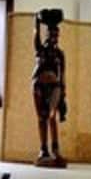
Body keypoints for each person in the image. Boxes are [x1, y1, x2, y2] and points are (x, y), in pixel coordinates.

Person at [32, 9, 68, 168]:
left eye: (56, 35)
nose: (53, 37)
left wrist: (63, 94)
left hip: (55, 86)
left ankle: (55, 149)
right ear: (46, 34)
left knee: (52, 116)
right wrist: (36, 21)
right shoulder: (40, 49)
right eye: (50, 34)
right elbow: (36, 36)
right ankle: (43, 150)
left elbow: (63, 74)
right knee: (42, 117)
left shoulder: (60, 54)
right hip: (39, 85)